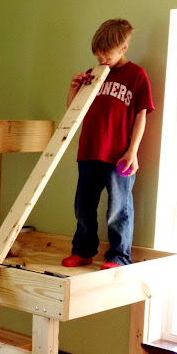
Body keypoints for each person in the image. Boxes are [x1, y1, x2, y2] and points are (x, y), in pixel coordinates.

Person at [61, 19, 155, 270]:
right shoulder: (93, 74)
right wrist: (73, 89)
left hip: (119, 156)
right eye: (98, 55)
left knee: (118, 209)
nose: (102, 60)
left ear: (124, 48)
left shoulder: (136, 75)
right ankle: (83, 251)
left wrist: (133, 151)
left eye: (108, 55)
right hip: (89, 152)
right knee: (83, 207)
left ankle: (119, 256)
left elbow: (141, 115)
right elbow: (74, 110)